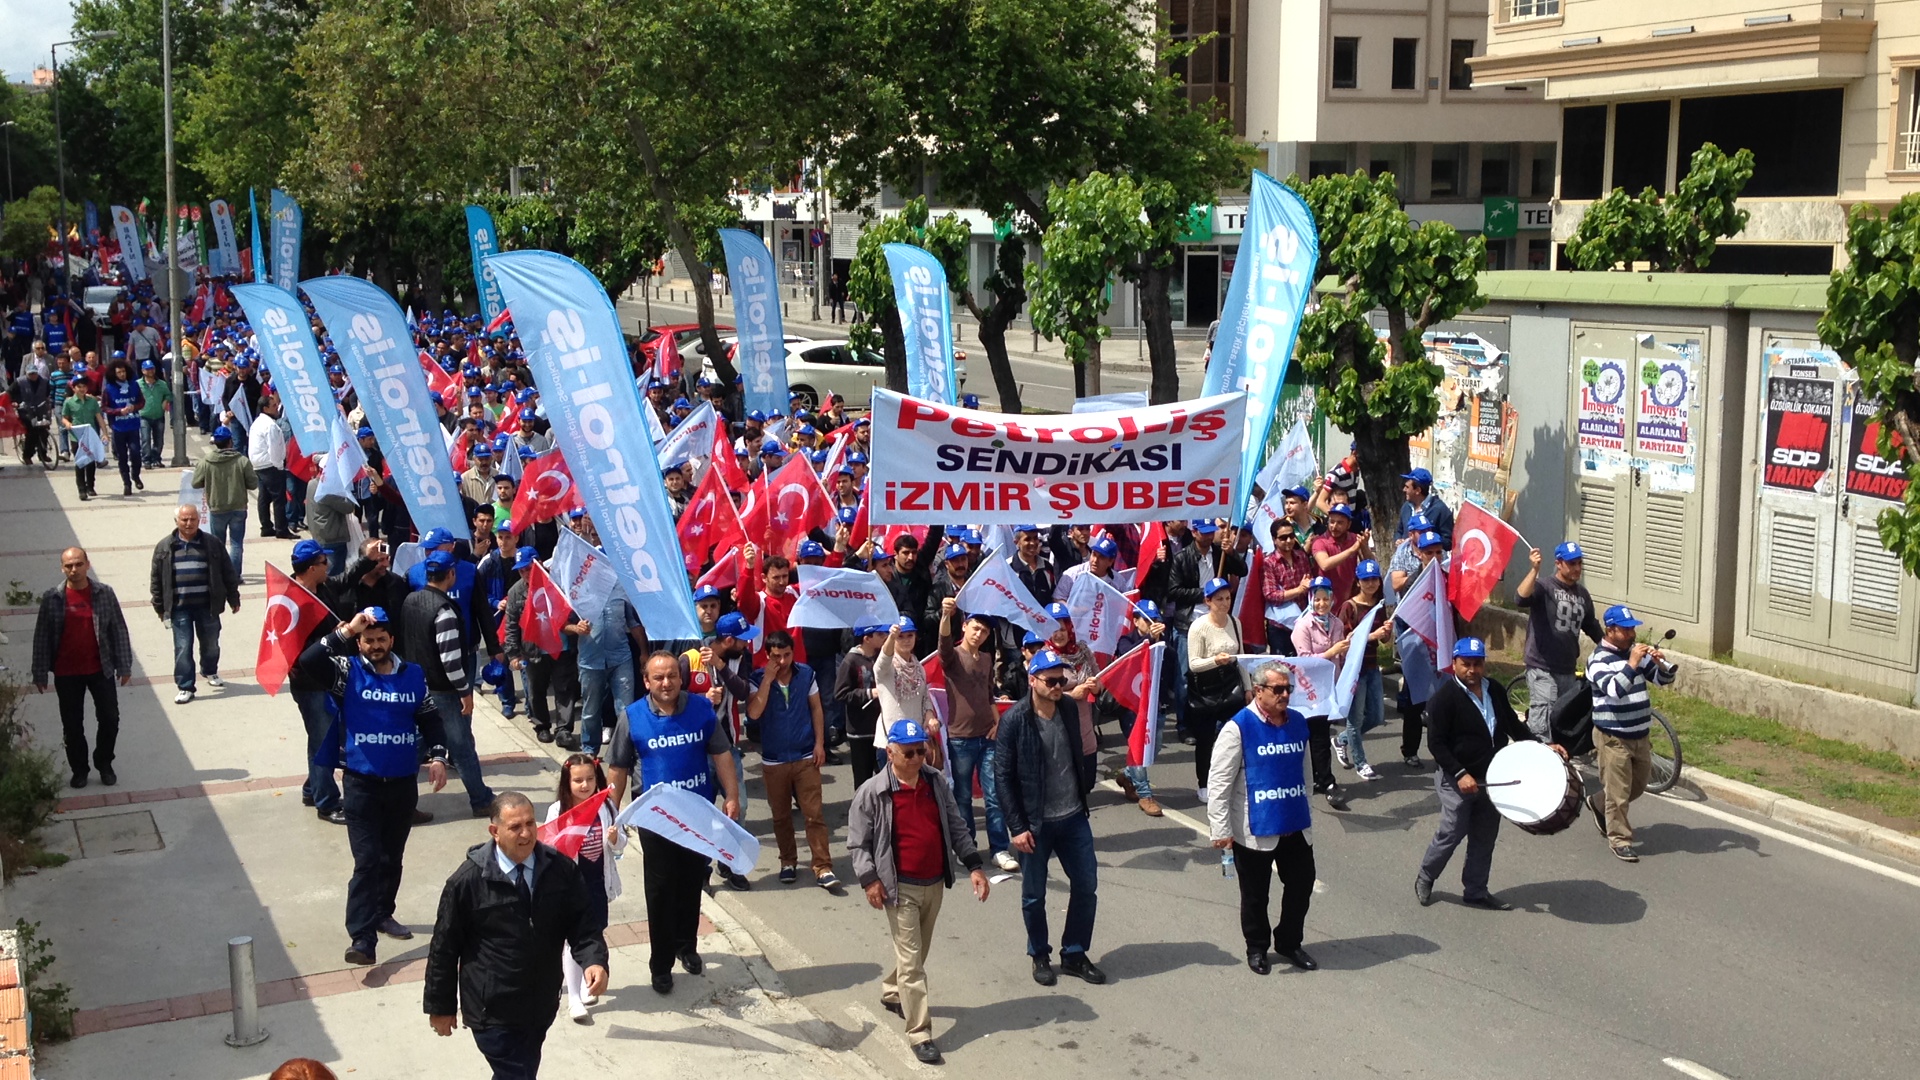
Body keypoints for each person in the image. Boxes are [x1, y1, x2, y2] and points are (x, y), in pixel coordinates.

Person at [297, 607, 450, 964]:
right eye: (369, 640)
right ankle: (362, 938)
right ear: (360, 642)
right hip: (360, 783)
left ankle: (383, 913)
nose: (376, 645)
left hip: (401, 784)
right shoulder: (346, 671)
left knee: (391, 858)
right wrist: (348, 630)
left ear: (392, 640)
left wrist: (439, 757)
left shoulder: (413, 675)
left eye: (382, 639)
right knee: (366, 862)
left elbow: (429, 719)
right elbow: (309, 660)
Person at [425, 793, 610, 1080]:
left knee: (523, 1070)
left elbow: (583, 924)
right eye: (515, 827)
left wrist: (594, 960)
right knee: (517, 1074)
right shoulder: (468, 882)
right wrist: (441, 1006)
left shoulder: (560, 870)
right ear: (494, 832)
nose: (526, 834)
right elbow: (444, 949)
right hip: (492, 1010)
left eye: (530, 824)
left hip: (540, 1004)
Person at [847, 719, 990, 1065]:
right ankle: (920, 1033)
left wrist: (973, 865)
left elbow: (955, 824)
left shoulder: (935, 781)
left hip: (934, 883)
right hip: (900, 889)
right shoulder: (872, 792)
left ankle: (892, 990)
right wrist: (869, 880)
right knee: (913, 961)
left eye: (920, 751)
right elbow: (858, 843)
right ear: (890, 752)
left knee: (917, 952)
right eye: (908, 753)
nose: (915, 759)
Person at [604, 652, 742, 992]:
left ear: (681, 678)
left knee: (692, 883)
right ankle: (661, 965)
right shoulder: (632, 717)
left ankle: (687, 946)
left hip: (697, 814)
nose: (666, 683)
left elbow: (722, 754)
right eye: (659, 678)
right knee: (661, 892)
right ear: (647, 681)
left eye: (672, 677)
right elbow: (618, 769)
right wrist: (612, 814)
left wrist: (732, 795)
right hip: (657, 821)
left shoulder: (701, 709)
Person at [1414, 637, 1565, 909]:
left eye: (1477, 663)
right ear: (1454, 665)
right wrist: (1460, 774)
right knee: (1452, 832)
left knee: (1484, 836)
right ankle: (1426, 875)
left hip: (1493, 778)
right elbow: (1436, 744)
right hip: (1457, 778)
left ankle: (1475, 890)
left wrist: (1543, 746)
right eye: (1466, 664)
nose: (1472, 670)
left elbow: (1513, 726)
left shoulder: (1494, 689)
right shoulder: (1443, 699)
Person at [995, 649, 1104, 987]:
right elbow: (1003, 776)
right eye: (1051, 681)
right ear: (1032, 681)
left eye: (1062, 680)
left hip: (1072, 817)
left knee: (1086, 886)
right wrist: (1017, 827)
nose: (1059, 686)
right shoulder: (1015, 720)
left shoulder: (1069, 708)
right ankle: (1039, 953)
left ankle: (1073, 953)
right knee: (1034, 895)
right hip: (1035, 824)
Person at [1208, 662, 1317, 975]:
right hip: (1254, 827)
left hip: (1294, 823)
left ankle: (1289, 942)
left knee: (1301, 884)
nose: (1285, 695)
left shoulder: (1298, 722)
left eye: (1288, 689)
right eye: (1278, 689)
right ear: (1258, 691)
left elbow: (1305, 771)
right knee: (1256, 895)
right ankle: (1257, 948)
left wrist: (1307, 810)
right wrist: (1221, 828)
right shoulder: (1238, 728)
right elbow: (1219, 782)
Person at [401, 551, 497, 818]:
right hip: (442, 691)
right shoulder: (445, 612)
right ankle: (481, 800)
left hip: (417, 686)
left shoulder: (411, 600)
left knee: (417, 745)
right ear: (451, 574)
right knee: (461, 745)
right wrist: (465, 691)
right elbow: (451, 661)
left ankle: (400, 800)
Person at [30, 548, 134, 789]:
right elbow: (42, 636)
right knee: (72, 725)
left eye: (78, 564)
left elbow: (118, 629)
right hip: (67, 673)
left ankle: (104, 762)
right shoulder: (52, 598)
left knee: (110, 718)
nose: (73, 570)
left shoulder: (104, 593)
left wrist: (124, 665)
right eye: (68, 566)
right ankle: (80, 769)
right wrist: (40, 672)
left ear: (88, 564)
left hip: (101, 669)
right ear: (61, 568)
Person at [747, 630, 840, 889]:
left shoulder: (806, 674)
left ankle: (822, 867)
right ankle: (788, 861)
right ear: (768, 656)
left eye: (787, 655)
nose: (783, 661)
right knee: (781, 816)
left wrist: (820, 744)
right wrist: (767, 679)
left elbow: (816, 708)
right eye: (776, 656)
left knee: (814, 815)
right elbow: (754, 713)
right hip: (774, 759)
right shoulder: (757, 678)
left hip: (805, 756)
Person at [1585, 605, 1677, 862]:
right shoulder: (1598, 660)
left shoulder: (1634, 654)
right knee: (1619, 793)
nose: (1631, 634)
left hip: (1640, 734)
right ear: (1610, 630)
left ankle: (1598, 802)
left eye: (1633, 628)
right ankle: (1620, 839)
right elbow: (1615, 690)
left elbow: (1661, 680)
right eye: (1626, 629)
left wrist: (1662, 666)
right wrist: (1632, 663)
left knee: (1636, 786)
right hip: (1613, 737)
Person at [542, 755, 625, 1021]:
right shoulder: (558, 810)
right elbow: (549, 845)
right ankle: (574, 998)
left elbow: (620, 844)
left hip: (597, 882)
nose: (585, 785)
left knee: (594, 934)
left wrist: (615, 839)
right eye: (578, 780)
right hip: (570, 886)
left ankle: (586, 982)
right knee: (572, 940)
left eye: (590, 779)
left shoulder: (607, 807)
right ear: (567, 783)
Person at [938, 600, 1016, 871]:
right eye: (975, 628)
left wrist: (998, 725)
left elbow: (988, 695)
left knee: (994, 793)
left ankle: (999, 849)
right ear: (965, 627)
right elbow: (944, 643)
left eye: (984, 631)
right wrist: (946, 615)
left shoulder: (985, 659)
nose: (979, 634)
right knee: (962, 796)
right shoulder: (952, 657)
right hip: (960, 738)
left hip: (988, 735)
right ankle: (966, 845)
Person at [150, 504, 240, 704]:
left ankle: (210, 670)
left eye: (192, 519)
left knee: (211, 645)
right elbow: (157, 579)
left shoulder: (212, 543)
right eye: (184, 520)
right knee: (182, 647)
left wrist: (233, 597)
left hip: (207, 606)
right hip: (179, 608)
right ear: (177, 521)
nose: (188, 523)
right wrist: (159, 606)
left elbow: (227, 571)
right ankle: (185, 686)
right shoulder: (165, 547)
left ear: (199, 521)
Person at [1516, 542, 1605, 740]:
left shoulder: (1582, 594)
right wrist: (1534, 570)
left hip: (1567, 668)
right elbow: (1520, 598)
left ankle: (1561, 763)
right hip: (1542, 666)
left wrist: (1611, 648)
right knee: (1543, 723)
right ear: (1558, 563)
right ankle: (1536, 759)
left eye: (1580, 563)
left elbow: (1591, 626)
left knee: (1563, 720)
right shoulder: (1544, 587)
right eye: (1572, 563)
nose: (1577, 568)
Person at [285, 541, 347, 823]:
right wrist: (333, 637)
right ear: (311, 568)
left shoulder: (323, 589)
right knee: (323, 743)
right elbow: (297, 648)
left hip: (329, 677)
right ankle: (327, 802)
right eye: (324, 563)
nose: (329, 567)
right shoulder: (291, 601)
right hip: (310, 684)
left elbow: (347, 579)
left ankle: (313, 788)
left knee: (322, 738)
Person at [1186, 577, 1248, 802]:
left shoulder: (1235, 622)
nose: (1224, 603)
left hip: (1231, 686)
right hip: (1206, 689)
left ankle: (1234, 779)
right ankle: (1204, 783)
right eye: (1219, 599)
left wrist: (1248, 688)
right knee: (1205, 740)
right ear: (1208, 601)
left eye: (1227, 598)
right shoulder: (1198, 627)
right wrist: (1215, 661)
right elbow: (1193, 663)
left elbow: (1240, 657)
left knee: (1237, 736)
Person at [1289, 577, 1350, 804]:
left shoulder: (1336, 623)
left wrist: (1347, 647)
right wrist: (1330, 651)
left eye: (1326, 599)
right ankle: (1322, 779)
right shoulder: (1302, 625)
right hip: (1307, 690)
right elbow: (1303, 660)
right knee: (1313, 736)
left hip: (1328, 688)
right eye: (1317, 599)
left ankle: (1321, 778)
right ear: (1310, 599)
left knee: (1319, 736)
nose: (1322, 604)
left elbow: (1340, 657)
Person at [1336, 561, 1392, 781]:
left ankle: (1342, 740)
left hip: (1372, 667)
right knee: (1355, 719)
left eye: (1374, 579)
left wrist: (1386, 632)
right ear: (1358, 582)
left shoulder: (1379, 605)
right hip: (1354, 671)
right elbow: (1345, 641)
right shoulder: (1349, 607)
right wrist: (1373, 635)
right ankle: (1361, 763)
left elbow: (1384, 638)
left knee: (1377, 716)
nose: (1371, 583)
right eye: (1366, 579)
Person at [192, 425, 258, 577]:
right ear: (230, 442)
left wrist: (209, 481)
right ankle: (234, 576)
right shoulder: (242, 461)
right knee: (236, 544)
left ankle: (219, 575)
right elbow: (253, 484)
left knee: (217, 545)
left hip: (217, 507)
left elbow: (195, 482)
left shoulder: (206, 461)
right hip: (238, 507)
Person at [835, 624, 889, 790]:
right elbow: (840, 694)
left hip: (881, 727)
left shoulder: (883, 657)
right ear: (867, 638)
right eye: (880, 634)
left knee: (885, 776)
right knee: (863, 779)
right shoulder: (851, 660)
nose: (885, 637)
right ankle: (862, 812)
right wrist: (868, 693)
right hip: (859, 730)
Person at [250, 395, 294, 539]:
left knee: (264, 497)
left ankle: (267, 527)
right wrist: (279, 466)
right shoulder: (270, 426)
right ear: (265, 408)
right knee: (279, 499)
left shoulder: (258, 422)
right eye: (274, 405)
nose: (277, 408)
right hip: (270, 465)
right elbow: (274, 449)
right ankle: (281, 529)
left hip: (259, 465)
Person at [100, 356, 145, 495]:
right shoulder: (109, 388)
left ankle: (136, 475)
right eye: (119, 372)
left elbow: (142, 402)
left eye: (123, 372)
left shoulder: (134, 385)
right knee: (122, 456)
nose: (122, 374)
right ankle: (126, 483)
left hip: (133, 425)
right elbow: (104, 407)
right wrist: (118, 411)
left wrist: (134, 408)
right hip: (118, 427)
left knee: (136, 453)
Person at [60, 374, 103, 500]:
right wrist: (67, 423)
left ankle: (90, 486)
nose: (82, 389)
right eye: (79, 387)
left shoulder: (92, 401)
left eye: (84, 386)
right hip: (76, 436)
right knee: (80, 462)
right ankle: (81, 489)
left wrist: (105, 433)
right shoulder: (69, 402)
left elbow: (99, 417)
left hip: (90, 436)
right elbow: (64, 417)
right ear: (74, 388)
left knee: (91, 462)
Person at [9, 364, 55, 467]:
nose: (33, 376)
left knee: (44, 430)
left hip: (40, 408)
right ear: (26, 374)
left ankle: (43, 454)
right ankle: (27, 455)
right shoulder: (19, 382)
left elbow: (47, 393)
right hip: (25, 410)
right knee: (32, 433)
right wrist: (15, 402)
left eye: (34, 373)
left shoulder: (44, 381)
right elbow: (10, 393)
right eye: (31, 374)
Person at [1397, 467, 1454, 546]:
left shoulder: (1440, 510)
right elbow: (1399, 531)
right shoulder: (1406, 507)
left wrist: (1428, 540)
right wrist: (1398, 539)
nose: (1404, 490)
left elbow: (1448, 542)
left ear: (1418, 490)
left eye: (1407, 487)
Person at [137, 360, 169, 467]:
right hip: (144, 416)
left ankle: (156, 459)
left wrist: (165, 401)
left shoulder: (162, 384)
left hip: (159, 415)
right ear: (142, 371)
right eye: (147, 369)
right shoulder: (138, 384)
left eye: (152, 368)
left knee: (158, 440)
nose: (150, 371)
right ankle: (146, 459)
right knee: (145, 438)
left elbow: (168, 394)